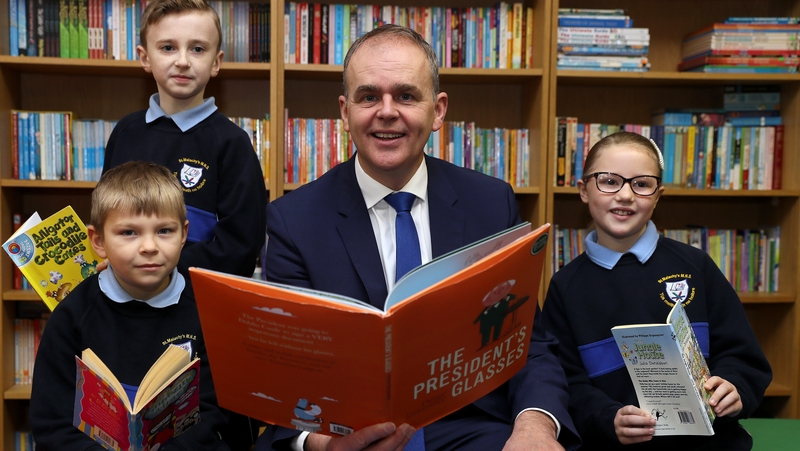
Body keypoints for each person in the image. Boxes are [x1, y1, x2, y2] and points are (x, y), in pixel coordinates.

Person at [259, 24, 580, 451]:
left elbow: (527, 346)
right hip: (345, 435)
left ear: (438, 110)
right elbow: (287, 371)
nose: (387, 111)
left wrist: (535, 428)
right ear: (344, 110)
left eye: (406, 96)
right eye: (369, 96)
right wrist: (321, 444)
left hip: (470, 428)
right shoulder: (293, 220)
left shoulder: (490, 204)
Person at [540, 131, 772, 450]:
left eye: (641, 183)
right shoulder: (565, 286)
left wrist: (735, 388)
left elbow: (743, 357)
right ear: (583, 190)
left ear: (658, 195)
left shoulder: (696, 265)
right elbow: (566, 383)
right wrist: (608, 418)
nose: (624, 195)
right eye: (609, 181)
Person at [30, 161, 253, 450]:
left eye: (164, 231)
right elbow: (52, 423)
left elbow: (213, 415)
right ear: (98, 240)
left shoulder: (207, 312)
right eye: (129, 233)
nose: (149, 246)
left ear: (184, 234)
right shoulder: (71, 316)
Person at [102, 0, 267, 278]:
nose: (182, 61)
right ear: (145, 58)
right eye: (168, 47)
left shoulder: (232, 143)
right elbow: (107, 218)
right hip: (124, 298)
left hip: (193, 305)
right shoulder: (125, 131)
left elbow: (241, 246)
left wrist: (161, 271)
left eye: (197, 49)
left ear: (216, 62)